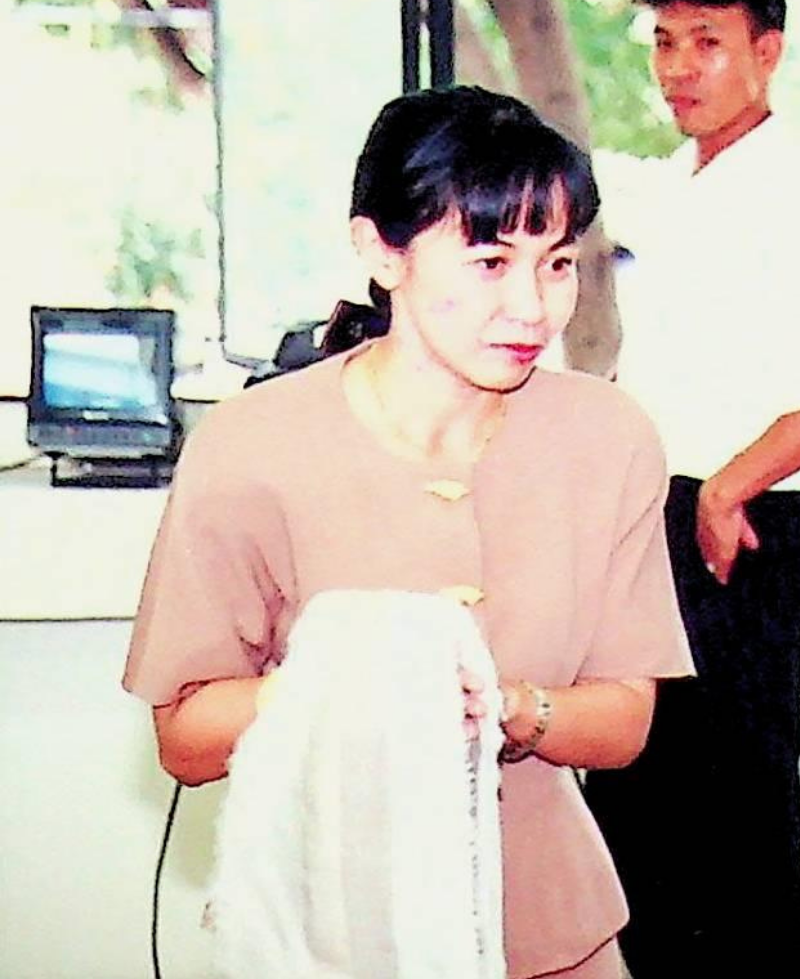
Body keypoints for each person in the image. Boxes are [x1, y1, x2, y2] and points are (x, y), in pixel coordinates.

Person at [122, 85, 694, 979]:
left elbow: (623, 719)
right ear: (379, 251)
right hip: (332, 934)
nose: (532, 307)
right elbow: (187, 738)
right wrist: (351, 686)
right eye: (490, 262)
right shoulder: (252, 445)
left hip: (553, 928)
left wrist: (511, 708)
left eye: (557, 264)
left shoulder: (608, 437)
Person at [581, 0, 800, 978]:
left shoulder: (790, 191)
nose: (679, 67)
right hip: (671, 524)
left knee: (737, 825)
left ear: (768, 53)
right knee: (642, 807)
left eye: (706, 43)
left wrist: (727, 488)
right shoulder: (688, 182)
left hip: (743, 530)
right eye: (664, 42)